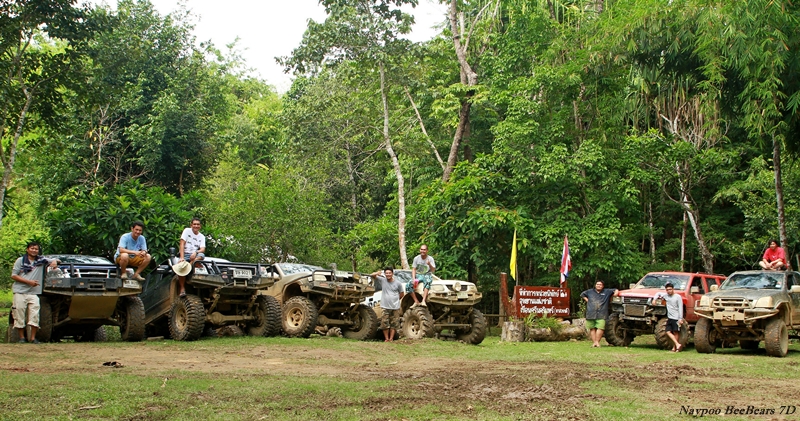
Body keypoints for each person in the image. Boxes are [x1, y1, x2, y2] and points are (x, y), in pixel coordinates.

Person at [10, 242, 59, 343]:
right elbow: (14, 275)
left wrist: (54, 261)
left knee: (35, 314)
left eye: (36, 249)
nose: (34, 250)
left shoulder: (41, 260)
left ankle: (32, 338)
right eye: (32, 248)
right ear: (27, 249)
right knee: (19, 314)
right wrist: (29, 282)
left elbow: (57, 260)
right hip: (20, 291)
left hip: (33, 293)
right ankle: (22, 338)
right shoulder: (20, 260)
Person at [580, 280, 620, 347]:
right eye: (597, 284)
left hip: (602, 313)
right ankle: (594, 342)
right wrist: (588, 301)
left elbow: (616, 290)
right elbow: (582, 294)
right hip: (591, 313)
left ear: (603, 286)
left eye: (600, 284)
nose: (598, 286)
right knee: (592, 328)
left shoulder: (607, 291)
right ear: (595, 285)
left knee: (600, 327)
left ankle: (597, 342)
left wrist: (615, 295)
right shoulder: (590, 291)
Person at [370, 267, 405, 342]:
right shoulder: (382, 280)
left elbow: (402, 294)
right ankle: (386, 338)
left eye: (389, 273)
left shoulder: (398, 283)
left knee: (394, 324)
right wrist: (377, 273)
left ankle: (391, 338)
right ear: (385, 274)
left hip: (395, 307)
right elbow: (372, 275)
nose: (388, 274)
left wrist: (395, 299)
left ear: (392, 273)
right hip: (385, 306)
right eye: (387, 273)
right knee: (384, 323)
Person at [177, 218, 206, 296]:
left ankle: (190, 265)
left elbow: (203, 249)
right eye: (194, 224)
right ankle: (182, 288)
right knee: (181, 268)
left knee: (202, 255)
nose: (196, 226)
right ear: (191, 225)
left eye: (198, 224)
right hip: (186, 254)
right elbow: (182, 243)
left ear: (200, 226)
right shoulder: (187, 231)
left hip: (196, 256)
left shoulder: (202, 236)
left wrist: (196, 252)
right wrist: (182, 258)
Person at [652, 282, 685, 352]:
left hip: (676, 317)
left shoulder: (678, 297)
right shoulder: (666, 296)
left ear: (673, 289)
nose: (669, 291)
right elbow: (658, 293)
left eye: (670, 289)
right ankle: (677, 344)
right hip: (670, 317)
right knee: (667, 331)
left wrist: (680, 318)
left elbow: (680, 308)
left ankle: (675, 348)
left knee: (675, 332)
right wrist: (654, 299)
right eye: (667, 290)